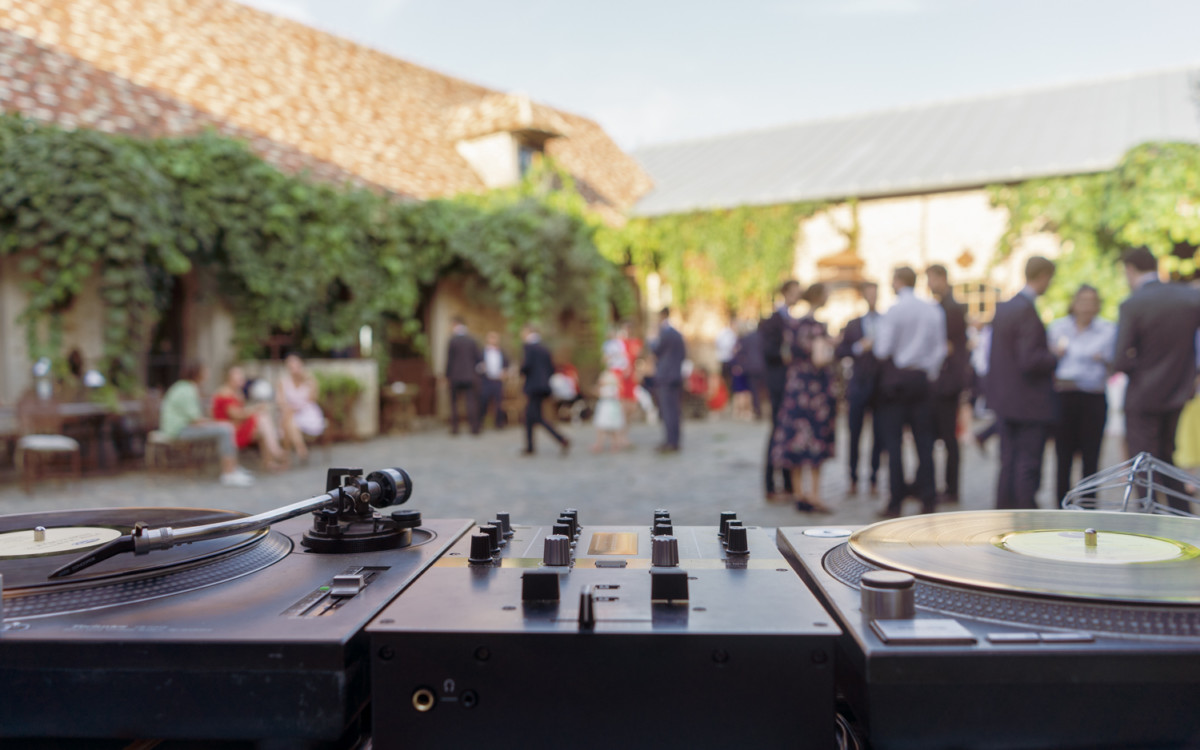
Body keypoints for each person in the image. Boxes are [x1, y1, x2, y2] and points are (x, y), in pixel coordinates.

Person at [1114, 246, 1200, 511]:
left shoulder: (1133, 303)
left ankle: (1148, 521)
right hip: (1178, 391)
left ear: (1130, 269)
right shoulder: (1189, 298)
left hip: (1142, 395)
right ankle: (1181, 516)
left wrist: (1141, 367)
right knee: (1167, 457)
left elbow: (1119, 359)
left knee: (1142, 463)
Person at [874, 266, 947, 518]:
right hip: (921, 379)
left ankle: (895, 501)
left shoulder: (894, 310)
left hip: (896, 380)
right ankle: (928, 498)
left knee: (894, 445)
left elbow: (883, 350)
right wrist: (930, 373)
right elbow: (939, 349)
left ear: (897, 281)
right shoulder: (932, 309)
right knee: (924, 443)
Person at [988, 256, 1058, 510]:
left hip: (1006, 399)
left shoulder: (1006, 307)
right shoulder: (1026, 310)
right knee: (1027, 462)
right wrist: (1055, 356)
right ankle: (1023, 513)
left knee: (1008, 460)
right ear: (1043, 277)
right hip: (1028, 401)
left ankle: (1004, 510)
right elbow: (1030, 360)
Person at [770, 283, 836, 513]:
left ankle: (800, 493)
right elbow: (819, 359)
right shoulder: (816, 326)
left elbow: (787, 355)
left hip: (796, 386)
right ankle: (814, 495)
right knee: (815, 440)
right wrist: (832, 349)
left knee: (796, 440)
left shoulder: (793, 324)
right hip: (814, 389)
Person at [1047, 285, 1115, 503]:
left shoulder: (1108, 329)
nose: (1086, 306)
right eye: (1082, 301)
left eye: (1091, 302)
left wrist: (1103, 360)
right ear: (1074, 303)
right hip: (1064, 396)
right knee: (1063, 457)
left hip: (1092, 396)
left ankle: (1088, 507)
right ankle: (1062, 505)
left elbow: (1116, 363)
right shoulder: (1058, 328)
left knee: (1091, 457)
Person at [159, 362, 254, 487]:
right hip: (178, 430)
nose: (208, 374)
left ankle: (233, 468)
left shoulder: (184, 386)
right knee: (226, 428)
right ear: (197, 373)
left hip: (179, 428)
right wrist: (216, 423)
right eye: (205, 371)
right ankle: (229, 473)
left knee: (225, 427)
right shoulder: (187, 389)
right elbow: (195, 419)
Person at [926, 264, 969, 505]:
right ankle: (941, 484)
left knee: (948, 438)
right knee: (941, 436)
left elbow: (949, 346)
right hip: (945, 380)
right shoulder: (943, 305)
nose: (929, 283)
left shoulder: (950, 307)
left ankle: (951, 487)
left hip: (946, 382)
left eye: (931, 278)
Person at [835, 281, 883, 496]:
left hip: (880, 386)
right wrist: (858, 347)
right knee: (854, 434)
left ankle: (874, 478)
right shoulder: (854, 324)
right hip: (858, 385)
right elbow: (841, 350)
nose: (872, 297)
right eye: (869, 293)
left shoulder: (886, 322)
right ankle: (852, 478)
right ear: (864, 296)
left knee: (878, 436)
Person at [761, 280, 803, 499]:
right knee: (777, 431)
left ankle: (787, 483)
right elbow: (768, 351)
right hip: (778, 383)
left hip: (789, 383)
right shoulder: (773, 320)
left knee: (788, 432)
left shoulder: (792, 319)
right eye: (795, 292)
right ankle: (770, 484)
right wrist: (783, 354)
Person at [212, 365, 288, 471]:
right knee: (261, 418)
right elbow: (236, 415)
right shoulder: (225, 393)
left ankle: (270, 459)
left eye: (241, 378)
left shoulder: (236, 392)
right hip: (231, 431)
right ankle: (275, 451)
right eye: (238, 378)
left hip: (237, 427)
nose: (241, 381)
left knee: (262, 427)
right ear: (230, 379)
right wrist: (254, 409)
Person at [520, 324, 570, 456]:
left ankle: (561, 439)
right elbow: (551, 368)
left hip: (533, 386)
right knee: (530, 417)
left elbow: (526, 366)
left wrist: (519, 371)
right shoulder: (544, 348)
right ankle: (530, 447)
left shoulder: (529, 347)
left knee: (535, 416)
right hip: (544, 386)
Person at [276, 354, 326, 464]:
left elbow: (313, 399)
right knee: (289, 419)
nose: (294, 370)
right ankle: (301, 448)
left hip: (308, 413)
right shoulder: (283, 382)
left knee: (287, 420)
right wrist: (290, 408)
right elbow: (280, 401)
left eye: (296, 366)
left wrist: (309, 381)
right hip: (290, 413)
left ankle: (287, 454)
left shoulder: (309, 380)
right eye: (291, 367)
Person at [650, 306, 686, 453]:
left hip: (665, 376)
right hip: (676, 375)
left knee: (667, 410)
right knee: (675, 410)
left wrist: (651, 340)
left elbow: (656, 349)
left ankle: (670, 442)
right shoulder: (678, 334)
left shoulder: (664, 333)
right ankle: (675, 440)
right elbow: (683, 354)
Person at [445, 316, 481, 435]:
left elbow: (449, 360)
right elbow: (478, 358)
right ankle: (474, 428)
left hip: (455, 376)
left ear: (455, 324)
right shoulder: (472, 340)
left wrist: (447, 376)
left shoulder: (453, 340)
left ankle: (455, 428)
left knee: (454, 403)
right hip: (470, 376)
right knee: (471, 402)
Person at [734, 320, 766, 419]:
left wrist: (740, 364)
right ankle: (761, 410)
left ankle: (757, 410)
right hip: (763, 367)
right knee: (762, 390)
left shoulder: (747, 338)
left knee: (754, 390)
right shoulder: (763, 337)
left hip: (751, 367)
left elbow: (740, 352)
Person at [477, 331, 510, 430]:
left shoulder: (502, 352)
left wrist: (505, 372)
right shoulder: (482, 352)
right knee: (484, 401)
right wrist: (481, 368)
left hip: (498, 380)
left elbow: (507, 365)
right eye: (491, 338)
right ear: (487, 339)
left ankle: (499, 423)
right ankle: (480, 423)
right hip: (486, 380)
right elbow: (476, 366)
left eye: (495, 338)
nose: (493, 340)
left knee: (499, 402)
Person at [591, 370, 627, 453]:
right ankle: (611, 444)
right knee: (608, 428)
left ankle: (610, 444)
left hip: (608, 408)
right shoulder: (614, 388)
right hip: (608, 407)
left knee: (607, 427)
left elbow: (600, 393)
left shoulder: (610, 388)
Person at [714, 313, 739, 411]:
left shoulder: (725, 333)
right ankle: (726, 400)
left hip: (725, 359)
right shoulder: (728, 334)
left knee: (728, 381)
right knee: (727, 381)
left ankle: (728, 400)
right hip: (727, 360)